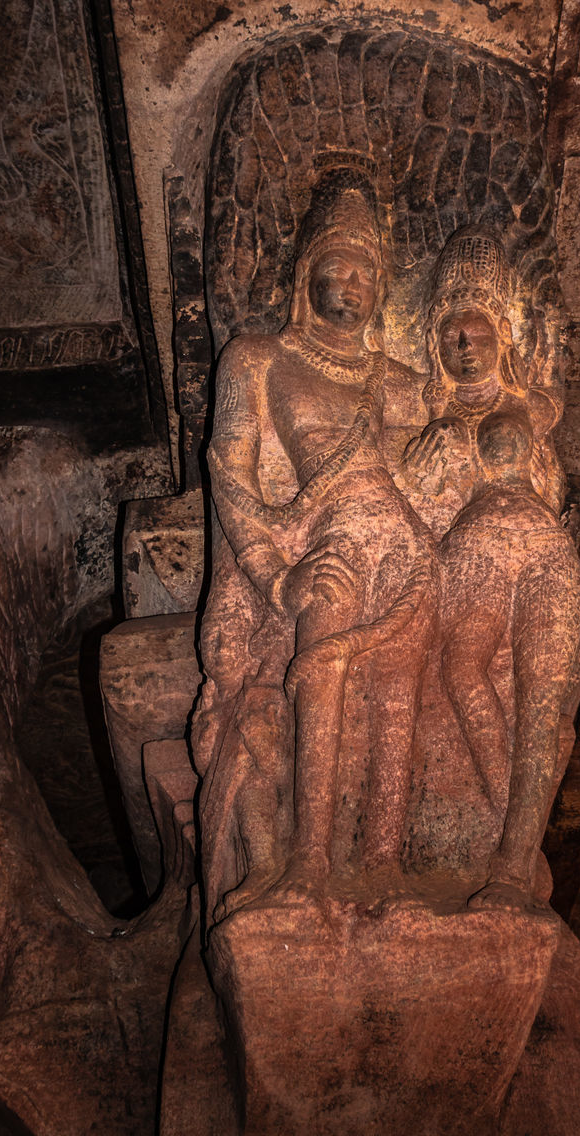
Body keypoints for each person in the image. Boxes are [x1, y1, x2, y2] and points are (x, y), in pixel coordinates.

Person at [191, 165, 438, 922]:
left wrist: (440, 459)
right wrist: (274, 578)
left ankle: (384, 860)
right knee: (317, 672)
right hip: (318, 544)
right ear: (305, 276)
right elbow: (229, 475)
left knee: (399, 687)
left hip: (397, 538)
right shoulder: (259, 360)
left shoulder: (401, 382)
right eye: (337, 266)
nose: (353, 283)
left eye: (368, 271)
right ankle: (307, 863)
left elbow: (454, 457)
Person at [405, 227, 580, 909]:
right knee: (460, 669)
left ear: (502, 333)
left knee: (543, 700)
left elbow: (550, 343)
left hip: (542, 548)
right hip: (472, 552)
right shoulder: (420, 414)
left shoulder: (534, 405)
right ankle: (507, 809)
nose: (463, 340)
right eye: (449, 329)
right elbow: (410, 507)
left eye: (475, 325)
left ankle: (513, 863)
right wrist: (436, 439)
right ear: (430, 340)